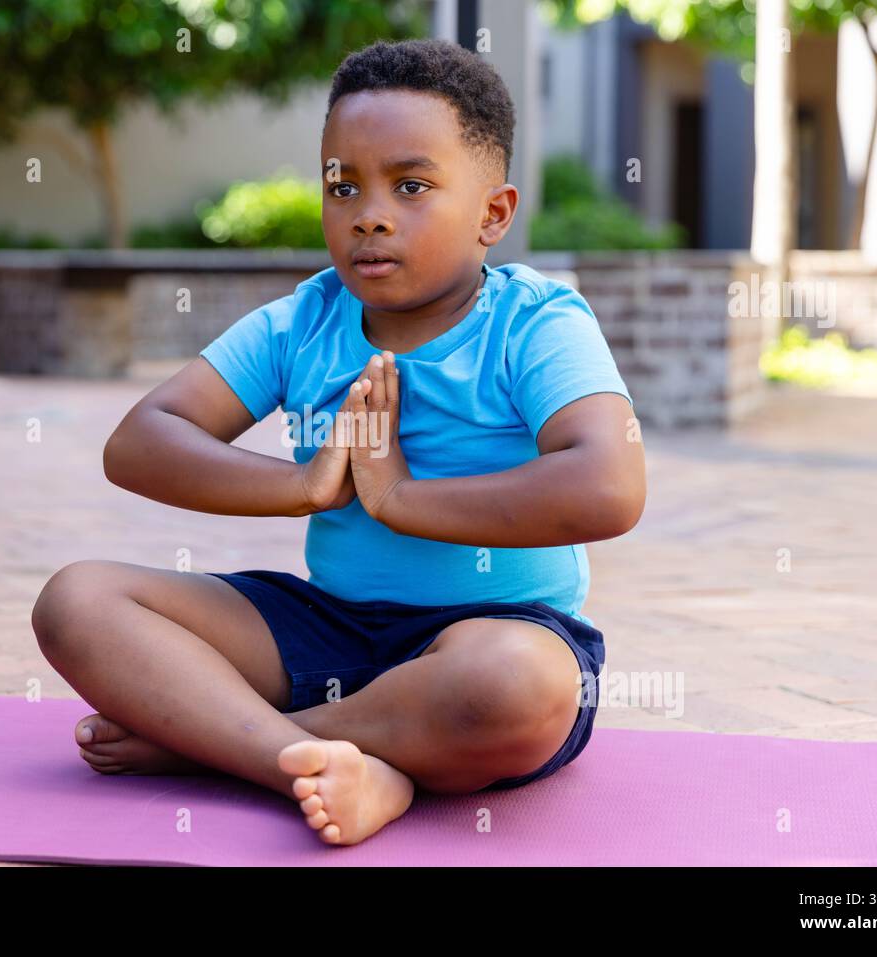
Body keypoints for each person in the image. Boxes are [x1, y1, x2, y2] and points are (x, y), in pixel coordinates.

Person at [32, 37, 646, 846]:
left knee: (514, 686)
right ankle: (326, 757)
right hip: (331, 626)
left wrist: (401, 498)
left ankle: (223, 740)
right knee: (77, 600)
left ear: (493, 213)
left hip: (497, 629)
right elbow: (141, 440)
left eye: (412, 185)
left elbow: (609, 484)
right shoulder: (304, 320)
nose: (370, 213)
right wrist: (306, 487)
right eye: (342, 185)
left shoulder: (535, 321)